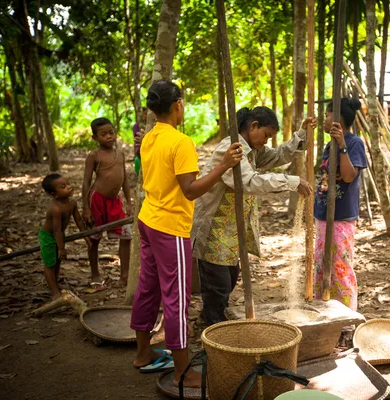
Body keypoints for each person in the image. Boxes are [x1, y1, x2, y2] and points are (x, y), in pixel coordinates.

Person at [130, 80, 243, 386]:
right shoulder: (181, 142)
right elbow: (190, 191)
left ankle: (144, 353)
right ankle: (183, 371)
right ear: (177, 105)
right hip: (170, 228)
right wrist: (222, 166)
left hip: (148, 219)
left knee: (148, 287)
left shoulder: (149, 138)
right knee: (175, 299)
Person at [192, 106, 315, 326]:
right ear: (253, 126)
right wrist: (291, 182)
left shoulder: (253, 150)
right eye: (266, 136)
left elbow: (278, 156)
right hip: (213, 230)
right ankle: (211, 328)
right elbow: (250, 182)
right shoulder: (232, 148)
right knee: (217, 283)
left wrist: (301, 135)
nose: (266, 142)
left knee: (229, 279)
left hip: (230, 231)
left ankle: (213, 320)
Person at [312, 98, 367, 311]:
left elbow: (348, 175)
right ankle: (324, 311)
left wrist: (342, 146)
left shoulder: (354, 143)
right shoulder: (328, 144)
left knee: (340, 268)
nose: (324, 120)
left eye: (327, 115)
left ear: (338, 119)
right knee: (321, 267)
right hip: (323, 215)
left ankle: (345, 320)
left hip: (341, 217)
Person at [82, 118, 132, 288]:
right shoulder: (94, 156)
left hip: (115, 201)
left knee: (126, 236)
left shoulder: (120, 154)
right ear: (95, 138)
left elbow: (124, 180)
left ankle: (124, 276)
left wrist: (129, 202)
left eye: (111, 132)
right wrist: (86, 207)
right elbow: (86, 182)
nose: (109, 136)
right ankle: (95, 273)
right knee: (94, 238)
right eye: (104, 134)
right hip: (97, 200)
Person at [39, 174, 89, 299]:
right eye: (63, 186)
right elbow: (56, 230)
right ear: (54, 194)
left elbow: (78, 220)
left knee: (57, 261)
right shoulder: (56, 209)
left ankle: (54, 283)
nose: (69, 187)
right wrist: (61, 248)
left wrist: (86, 236)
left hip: (60, 235)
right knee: (50, 263)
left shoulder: (72, 203)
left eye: (68, 184)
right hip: (49, 236)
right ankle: (54, 291)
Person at [133, 107, 148, 175]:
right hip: (139, 149)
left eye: (147, 114)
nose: (146, 116)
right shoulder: (136, 125)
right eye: (145, 114)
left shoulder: (152, 125)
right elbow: (136, 138)